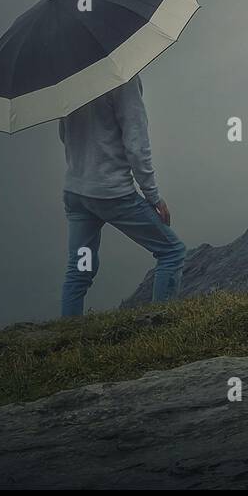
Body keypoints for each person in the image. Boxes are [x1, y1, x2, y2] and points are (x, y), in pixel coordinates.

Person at [58, 75, 185, 316]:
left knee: (79, 269)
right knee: (171, 252)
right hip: (112, 194)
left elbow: (64, 135)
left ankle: (69, 337)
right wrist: (153, 195)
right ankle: (161, 328)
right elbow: (136, 142)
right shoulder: (122, 79)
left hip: (77, 195)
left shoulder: (71, 79)